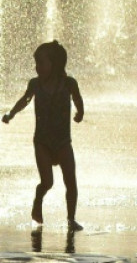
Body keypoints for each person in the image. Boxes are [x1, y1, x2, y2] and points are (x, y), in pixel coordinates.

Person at [2, 41, 84, 231]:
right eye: (36, 63)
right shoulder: (35, 84)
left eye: (40, 63)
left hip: (63, 142)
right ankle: (37, 202)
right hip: (42, 142)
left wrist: (80, 112)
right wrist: (11, 114)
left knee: (70, 181)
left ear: (54, 64)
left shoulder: (69, 83)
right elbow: (25, 100)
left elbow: (78, 98)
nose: (36, 67)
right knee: (47, 182)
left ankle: (71, 219)